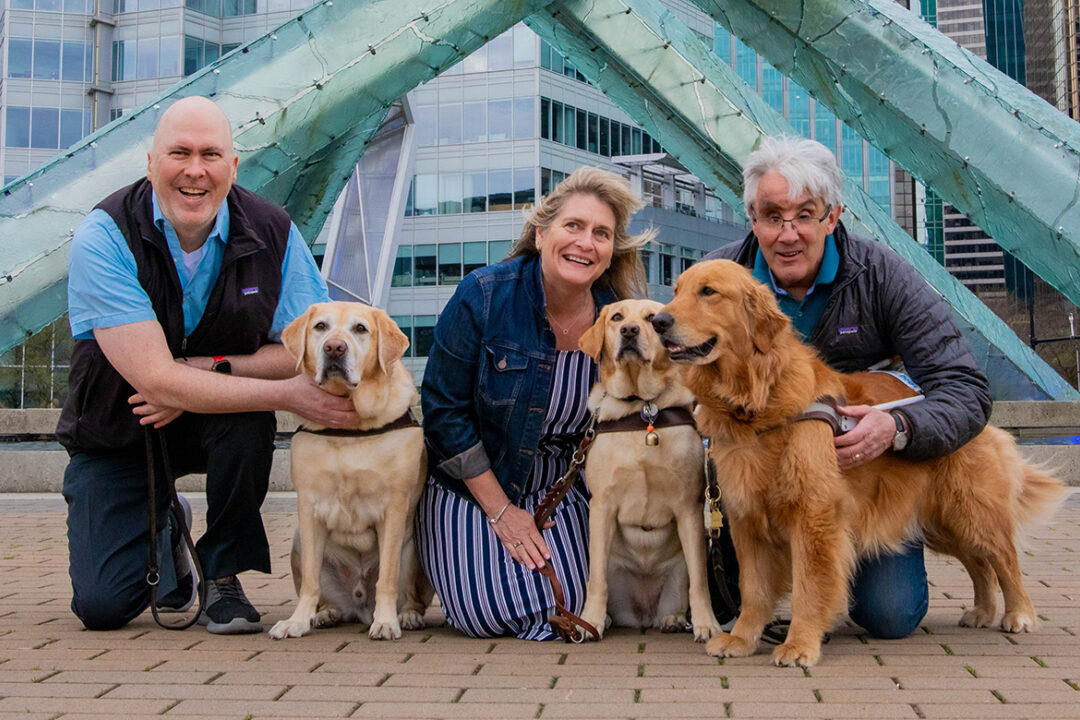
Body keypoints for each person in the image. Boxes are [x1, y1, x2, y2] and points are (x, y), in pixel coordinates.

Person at [56, 96, 359, 634]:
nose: (195, 171)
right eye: (179, 153)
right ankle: (170, 533)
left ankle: (223, 573)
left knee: (246, 419)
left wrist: (205, 371)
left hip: (214, 426)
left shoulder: (275, 230)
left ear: (233, 167)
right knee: (103, 608)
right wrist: (279, 391)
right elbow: (154, 379)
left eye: (211, 155)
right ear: (150, 163)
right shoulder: (102, 235)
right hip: (120, 428)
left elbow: (302, 351)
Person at [704, 134, 992, 638]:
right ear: (752, 219)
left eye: (805, 215)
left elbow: (965, 388)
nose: (788, 234)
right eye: (772, 216)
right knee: (716, 604)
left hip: (861, 481)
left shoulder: (882, 274)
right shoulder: (717, 278)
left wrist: (898, 425)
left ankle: (835, 583)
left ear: (833, 217)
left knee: (889, 614)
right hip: (748, 474)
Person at [417, 167, 654, 639]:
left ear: (611, 253)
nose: (586, 242)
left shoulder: (619, 316)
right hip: (477, 486)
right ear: (541, 232)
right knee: (488, 613)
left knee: (578, 605)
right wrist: (502, 513)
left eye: (601, 234)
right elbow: (443, 413)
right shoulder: (483, 295)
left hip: (564, 491)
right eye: (574, 226)